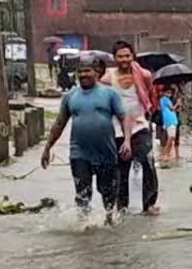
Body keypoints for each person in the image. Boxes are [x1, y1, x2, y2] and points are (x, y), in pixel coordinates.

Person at [41, 57, 132, 223]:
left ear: (96, 73)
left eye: (87, 71)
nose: (83, 74)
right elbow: (59, 123)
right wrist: (47, 147)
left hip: (106, 152)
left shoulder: (109, 94)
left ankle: (110, 219)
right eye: (80, 71)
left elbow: (124, 117)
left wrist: (127, 141)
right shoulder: (70, 97)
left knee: (108, 192)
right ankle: (83, 225)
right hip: (79, 152)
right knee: (82, 192)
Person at [101, 41, 160, 216]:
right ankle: (122, 205)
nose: (124, 59)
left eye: (127, 55)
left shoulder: (144, 75)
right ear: (114, 58)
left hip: (140, 126)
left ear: (133, 56)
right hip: (117, 129)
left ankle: (149, 203)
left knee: (147, 162)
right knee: (121, 169)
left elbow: (148, 95)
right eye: (120, 56)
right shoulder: (107, 78)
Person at [159, 85, 180, 163]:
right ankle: (165, 154)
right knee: (170, 137)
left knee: (171, 137)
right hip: (169, 120)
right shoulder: (165, 99)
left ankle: (166, 154)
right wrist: (177, 103)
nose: (169, 94)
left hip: (171, 119)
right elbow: (172, 108)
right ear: (164, 93)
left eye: (170, 93)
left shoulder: (165, 100)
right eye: (167, 92)